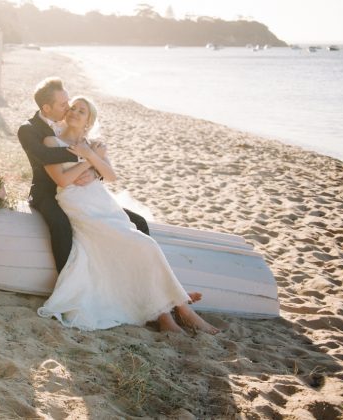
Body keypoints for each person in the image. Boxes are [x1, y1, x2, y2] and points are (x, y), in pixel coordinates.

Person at [36, 95, 219, 334]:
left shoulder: (95, 145)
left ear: (89, 121)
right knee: (142, 244)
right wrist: (89, 162)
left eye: (81, 111)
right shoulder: (52, 141)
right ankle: (182, 308)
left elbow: (111, 176)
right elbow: (62, 179)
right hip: (77, 203)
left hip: (102, 203)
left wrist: (91, 156)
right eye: (72, 108)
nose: (74, 112)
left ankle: (171, 316)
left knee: (143, 246)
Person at [17, 77, 150, 273]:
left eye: (68, 101)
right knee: (61, 225)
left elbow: (89, 147)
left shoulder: (68, 120)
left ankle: (144, 275)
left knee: (138, 222)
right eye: (64, 104)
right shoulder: (28, 130)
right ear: (46, 108)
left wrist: (95, 170)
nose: (69, 107)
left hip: (82, 193)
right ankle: (66, 279)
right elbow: (46, 156)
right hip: (48, 192)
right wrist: (90, 157)